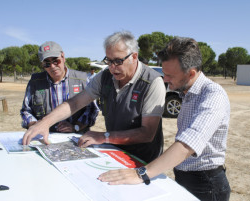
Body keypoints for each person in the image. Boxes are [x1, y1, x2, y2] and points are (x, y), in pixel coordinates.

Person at [98, 37, 231, 201]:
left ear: (191, 73)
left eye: (169, 75)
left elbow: (188, 143)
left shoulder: (213, 95)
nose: (164, 79)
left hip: (207, 184)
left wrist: (142, 173)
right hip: (185, 176)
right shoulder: (186, 92)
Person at [22, 31, 166, 164]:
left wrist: (104, 136)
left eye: (117, 61)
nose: (112, 67)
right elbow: (76, 102)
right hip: (115, 152)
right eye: (108, 61)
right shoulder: (104, 77)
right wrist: (45, 122)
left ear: (134, 57)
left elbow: (147, 133)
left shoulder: (152, 82)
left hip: (143, 159)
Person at [20, 41, 99, 134]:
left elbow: (92, 109)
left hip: (76, 136)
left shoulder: (82, 79)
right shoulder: (34, 82)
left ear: (63, 57)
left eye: (55, 61)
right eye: (47, 63)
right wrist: (35, 126)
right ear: (42, 65)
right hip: (45, 138)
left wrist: (76, 126)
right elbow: (26, 110)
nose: (52, 66)